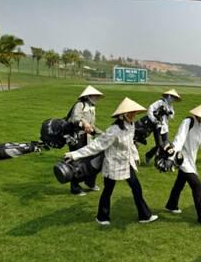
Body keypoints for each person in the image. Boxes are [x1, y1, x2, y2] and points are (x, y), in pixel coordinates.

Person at [64, 97, 158, 226]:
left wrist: (135, 158)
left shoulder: (131, 125)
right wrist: (75, 154)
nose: (134, 115)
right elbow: (96, 145)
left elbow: (131, 144)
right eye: (131, 113)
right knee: (108, 190)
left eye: (134, 113)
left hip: (126, 163)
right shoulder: (114, 130)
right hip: (113, 164)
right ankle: (102, 217)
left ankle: (144, 215)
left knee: (136, 188)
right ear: (123, 114)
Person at [164, 101, 201, 225]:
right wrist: (170, 157)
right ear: (200, 115)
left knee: (179, 184)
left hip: (191, 161)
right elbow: (179, 139)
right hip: (183, 160)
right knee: (197, 186)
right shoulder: (188, 122)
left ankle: (171, 205)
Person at [66, 85, 104, 196]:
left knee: (93, 160)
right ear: (88, 96)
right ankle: (75, 187)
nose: (96, 98)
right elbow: (75, 119)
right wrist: (84, 123)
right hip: (76, 138)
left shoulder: (91, 108)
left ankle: (90, 182)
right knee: (77, 162)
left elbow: (92, 126)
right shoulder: (80, 105)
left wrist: (102, 133)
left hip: (87, 138)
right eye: (94, 96)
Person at [144, 89, 181, 163]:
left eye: (174, 97)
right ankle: (149, 155)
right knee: (159, 145)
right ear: (168, 96)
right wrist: (153, 119)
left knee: (166, 144)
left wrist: (168, 113)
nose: (173, 99)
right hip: (157, 126)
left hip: (165, 127)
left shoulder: (170, 106)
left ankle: (161, 159)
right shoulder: (160, 102)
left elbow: (172, 116)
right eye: (172, 97)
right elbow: (150, 108)